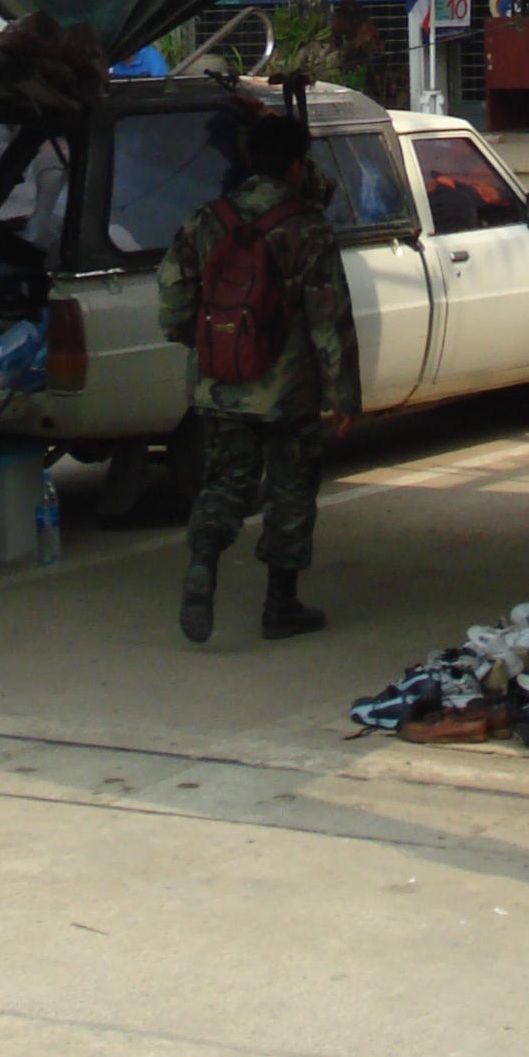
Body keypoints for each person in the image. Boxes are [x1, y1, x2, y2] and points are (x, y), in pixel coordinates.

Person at [156, 90, 359, 646]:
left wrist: (188, 336)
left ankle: (203, 558)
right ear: (297, 165)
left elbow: (172, 288)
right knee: (291, 490)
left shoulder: (208, 218)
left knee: (223, 482)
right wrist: (343, 396)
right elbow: (329, 318)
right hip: (286, 390)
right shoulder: (307, 228)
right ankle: (280, 605)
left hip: (218, 382)